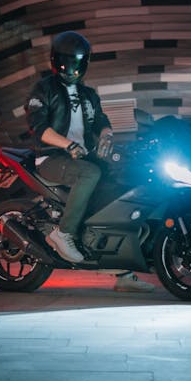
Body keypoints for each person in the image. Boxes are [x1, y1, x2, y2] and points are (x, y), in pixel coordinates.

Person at [24, 30, 114, 264]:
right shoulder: (44, 89)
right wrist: (68, 144)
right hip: (50, 158)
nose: (71, 67)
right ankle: (63, 234)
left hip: (82, 157)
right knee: (90, 173)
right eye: (66, 61)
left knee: (118, 182)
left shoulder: (89, 94)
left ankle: (121, 268)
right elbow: (39, 127)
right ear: (56, 61)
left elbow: (101, 120)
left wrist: (106, 134)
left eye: (76, 61)